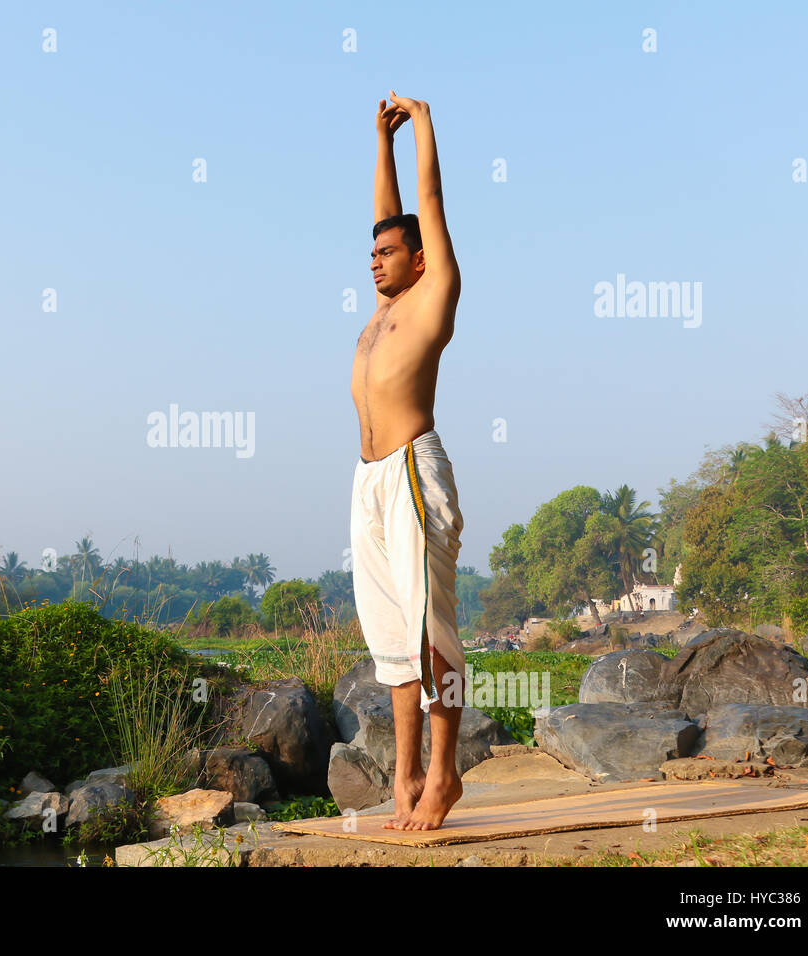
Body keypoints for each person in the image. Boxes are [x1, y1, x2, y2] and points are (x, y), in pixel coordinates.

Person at [349, 91, 464, 831]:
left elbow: (426, 206)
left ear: (419, 261)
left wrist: (422, 126)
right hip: (367, 481)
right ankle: (407, 773)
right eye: (370, 254)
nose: (373, 260)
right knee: (394, 645)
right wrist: (380, 144)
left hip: (413, 474)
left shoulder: (432, 296)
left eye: (387, 254)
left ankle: (446, 775)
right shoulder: (382, 309)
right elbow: (391, 216)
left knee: (432, 636)